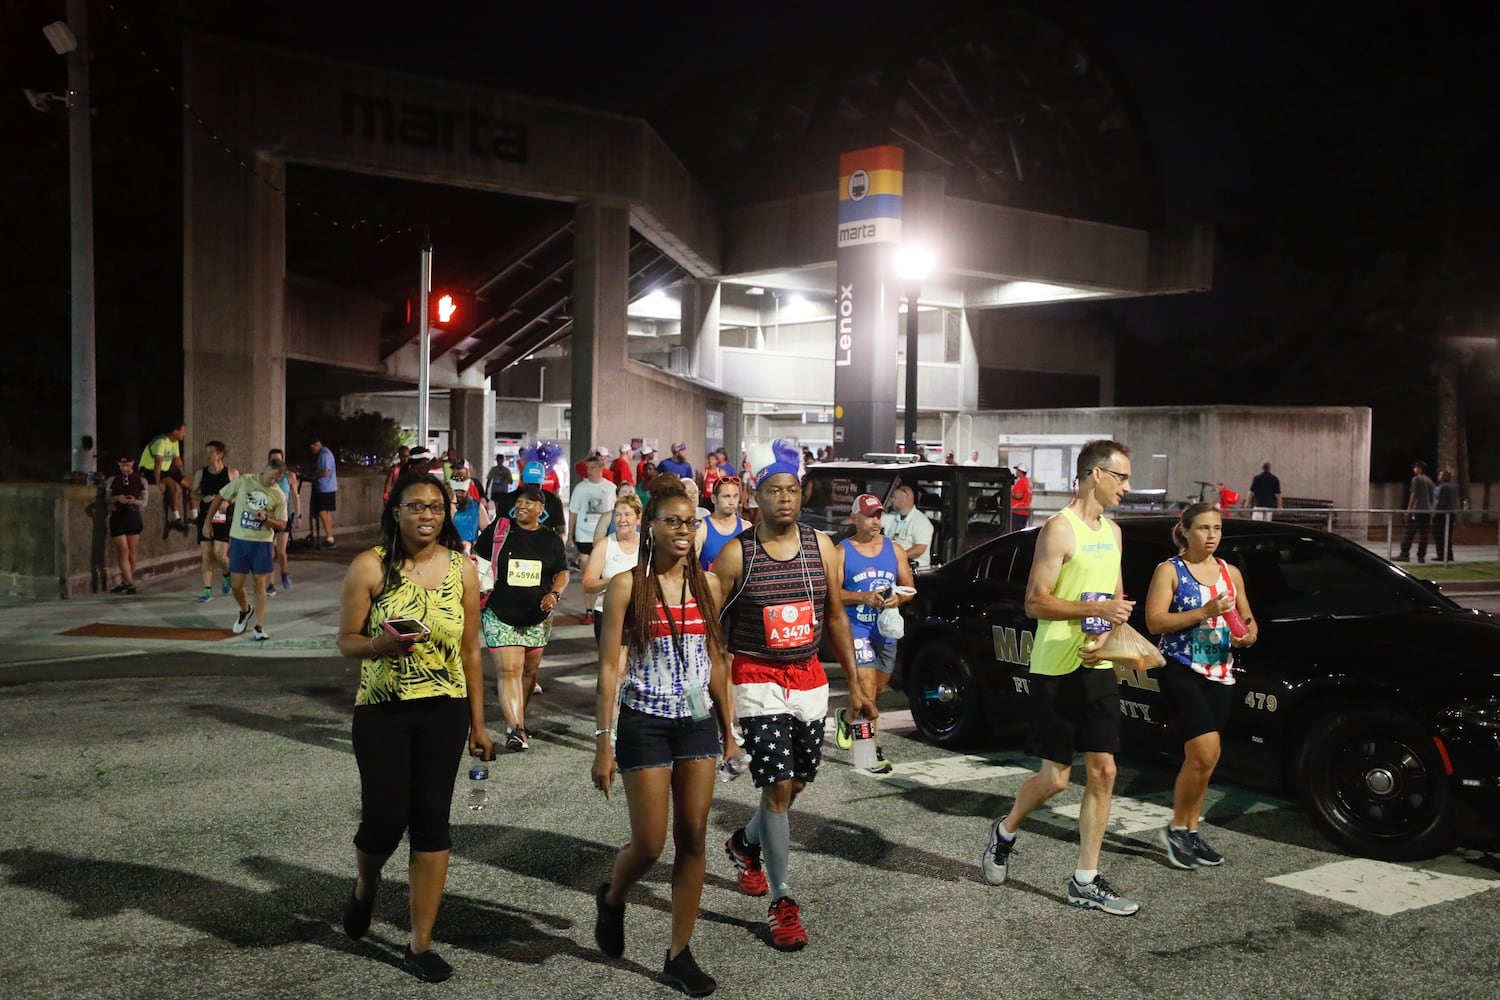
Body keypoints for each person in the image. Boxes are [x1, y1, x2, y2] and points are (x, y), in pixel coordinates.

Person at [710, 439, 876, 951]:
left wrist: (857, 683)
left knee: (798, 784)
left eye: (791, 489)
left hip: (809, 679)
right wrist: (722, 714)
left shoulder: (822, 547)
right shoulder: (735, 553)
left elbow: (834, 617)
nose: (784, 498)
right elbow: (715, 637)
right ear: (756, 498)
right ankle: (782, 903)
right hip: (756, 679)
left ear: (800, 494)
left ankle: (745, 842)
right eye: (773, 491)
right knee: (778, 788)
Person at [334, 471, 493, 984]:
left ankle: (419, 943)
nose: (427, 515)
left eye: (436, 507)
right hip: (383, 710)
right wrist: (378, 645)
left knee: (432, 823)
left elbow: (470, 648)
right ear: (396, 512)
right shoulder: (370, 567)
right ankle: (365, 885)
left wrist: (478, 723)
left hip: (442, 710)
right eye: (416, 506)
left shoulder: (463, 570)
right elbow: (346, 641)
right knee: (383, 823)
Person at [979, 439, 1141, 916]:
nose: (1127, 488)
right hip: (1055, 666)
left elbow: (1115, 600)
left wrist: (1114, 631)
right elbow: (1034, 602)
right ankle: (1005, 829)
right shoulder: (1059, 529)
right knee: (1054, 779)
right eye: (1122, 478)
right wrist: (1095, 608)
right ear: (1095, 475)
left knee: (1105, 770)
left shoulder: (1113, 534)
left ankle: (1084, 879)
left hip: (1098, 664)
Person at [591, 475, 739, 994]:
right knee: (651, 844)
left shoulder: (709, 584)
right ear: (651, 525)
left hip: (696, 722)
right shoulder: (628, 585)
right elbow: (610, 667)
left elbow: (717, 659)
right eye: (672, 520)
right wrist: (603, 742)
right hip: (644, 721)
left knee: (694, 838)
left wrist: (731, 729)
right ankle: (612, 895)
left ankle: (679, 953)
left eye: (689, 521)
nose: (682, 529)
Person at [1144, 502, 1258, 870]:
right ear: (1186, 531)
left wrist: (1249, 634)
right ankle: (1176, 828)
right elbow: (1155, 622)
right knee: (1205, 752)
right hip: (1180, 667)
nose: (1212, 536)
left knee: (1205, 759)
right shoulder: (1170, 570)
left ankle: (1191, 830)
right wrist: (1202, 613)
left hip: (1220, 669)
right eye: (1204, 528)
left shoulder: (1230, 572)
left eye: (1217, 529)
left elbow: (1247, 616)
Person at [474, 481, 569, 751]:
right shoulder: (500, 531)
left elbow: (562, 572)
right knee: (509, 671)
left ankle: (518, 719)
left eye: (529, 502)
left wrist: (555, 594)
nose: (521, 505)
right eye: (519, 501)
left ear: (541, 508)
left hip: (537, 617)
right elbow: (477, 561)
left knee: (529, 672)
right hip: (499, 612)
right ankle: (516, 728)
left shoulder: (550, 539)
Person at [832, 493, 914, 774]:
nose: (875, 520)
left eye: (879, 515)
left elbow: (910, 586)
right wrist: (861, 596)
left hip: (885, 629)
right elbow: (832, 594)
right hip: (857, 628)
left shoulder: (895, 549)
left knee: (877, 690)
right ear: (854, 518)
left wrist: (899, 598)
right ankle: (870, 754)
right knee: (867, 691)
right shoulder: (842, 551)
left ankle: (846, 715)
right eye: (869, 515)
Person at [205, 457, 289, 641]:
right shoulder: (244, 481)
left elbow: (282, 524)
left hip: (262, 543)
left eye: (277, 479)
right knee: (236, 586)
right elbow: (220, 496)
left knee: (259, 582)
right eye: (272, 477)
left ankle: (259, 626)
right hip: (240, 540)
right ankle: (245, 610)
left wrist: (267, 519)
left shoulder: (278, 495)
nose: (273, 481)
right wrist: (207, 522)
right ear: (265, 469)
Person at [583, 493, 642, 646]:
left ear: (638, 518)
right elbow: (588, 585)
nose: (622, 520)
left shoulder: (647, 544)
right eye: (617, 515)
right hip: (608, 614)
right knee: (615, 667)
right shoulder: (604, 545)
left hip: (640, 614)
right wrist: (613, 582)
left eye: (627, 515)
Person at [191, 441, 238, 603]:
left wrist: (228, 501)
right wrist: (202, 497)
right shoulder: (201, 473)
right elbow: (193, 493)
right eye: (207, 451)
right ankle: (207, 590)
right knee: (206, 554)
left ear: (220, 454)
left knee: (220, 554)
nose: (208, 455)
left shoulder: (231, 473)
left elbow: (238, 494)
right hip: (205, 516)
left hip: (223, 516)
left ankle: (227, 575)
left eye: (211, 451)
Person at [105, 455, 148, 594]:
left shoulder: (141, 480)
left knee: (131, 550)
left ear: (132, 464)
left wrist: (134, 501)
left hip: (133, 515)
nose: (125, 468)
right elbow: (107, 499)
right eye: (122, 465)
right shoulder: (112, 480)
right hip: (118, 516)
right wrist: (117, 498)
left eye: (128, 465)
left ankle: (125, 582)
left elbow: (144, 502)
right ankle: (131, 583)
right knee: (123, 550)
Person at [140, 423, 190, 538]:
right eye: (183, 431)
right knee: (174, 487)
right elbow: (158, 463)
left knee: (191, 484)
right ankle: (175, 518)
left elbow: (177, 460)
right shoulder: (161, 441)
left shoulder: (175, 442)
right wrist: (158, 482)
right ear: (175, 431)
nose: (185, 434)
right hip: (149, 470)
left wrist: (182, 475)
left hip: (165, 470)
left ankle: (194, 516)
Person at [569, 454, 617, 564]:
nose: (589, 471)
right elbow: (573, 512)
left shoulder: (611, 488)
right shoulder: (580, 488)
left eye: (592, 467)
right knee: (585, 563)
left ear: (601, 468)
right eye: (587, 468)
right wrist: (570, 535)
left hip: (604, 534)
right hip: (584, 535)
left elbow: (616, 512)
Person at [267, 447, 300, 593]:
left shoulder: (289, 476)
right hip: (268, 517)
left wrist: (298, 515)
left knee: (281, 552)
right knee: (269, 552)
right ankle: (271, 584)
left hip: (283, 517)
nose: (276, 462)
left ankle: (284, 572)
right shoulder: (266, 476)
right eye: (273, 460)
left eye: (278, 460)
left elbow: (295, 496)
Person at [694, 475, 744, 571]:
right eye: (726, 496)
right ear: (714, 499)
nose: (732, 502)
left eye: (735, 496)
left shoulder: (746, 529)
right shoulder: (701, 528)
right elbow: (691, 569)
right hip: (707, 584)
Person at [883, 483, 934, 568]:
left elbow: (919, 549)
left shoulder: (921, 521)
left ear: (905, 499)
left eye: (894, 498)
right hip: (893, 567)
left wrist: (897, 557)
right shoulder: (892, 516)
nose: (892, 500)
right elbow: (874, 523)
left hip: (914, 571)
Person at [1396, 460, 1436, 563]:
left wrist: (1409, 510)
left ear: (1419, 469)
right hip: (1426, 512)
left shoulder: (1416, 479)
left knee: (1408, 533)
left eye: (1415, 467)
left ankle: (1404, 554)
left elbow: (1414, 495)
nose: (1414, 469)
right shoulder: (1430, 481)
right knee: (1424, 536)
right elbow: (1432, 498)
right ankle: (1421, 556)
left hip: (1417, 511)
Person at [448, 460, 488, 555]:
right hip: (447, 554)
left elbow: (488, 535)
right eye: (456, 491)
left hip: (470, 555)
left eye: (462, 491)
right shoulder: (444, 507)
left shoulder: (477, 507)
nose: (459, 495)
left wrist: (476, 544)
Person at [308, 436, 339, 548]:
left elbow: (325, 472)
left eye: (313, 448)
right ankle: (330, 537)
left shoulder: (324, 455)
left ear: (316, 445)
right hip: (328, 487)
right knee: (325, 513)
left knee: (322, 512)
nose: (313, 451)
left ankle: (330, 539)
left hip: (326, 488)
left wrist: (314, 475)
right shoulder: (326, 453)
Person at [1434, 468, 1460, 563]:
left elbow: (1440, 501)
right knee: (1448, 535)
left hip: (1441, 514)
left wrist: (1435, 512)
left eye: (1440, 475)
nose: (1439, 477)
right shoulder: (1455, 487)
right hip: (1450, 513)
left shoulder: (1443, 487)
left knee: (1439, 535)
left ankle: (1441, 554)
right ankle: (1449, 554)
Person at [1010, 464, 1033, 533]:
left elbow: (1018, 495)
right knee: (1020, 532)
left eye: (1017, 470)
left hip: (1017, 511)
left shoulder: (1021, 482)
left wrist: (1009, 493)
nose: (1016, 472)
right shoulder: (1028, 482)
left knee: (1014, 533)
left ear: (1020, 471)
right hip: (1025, 511)